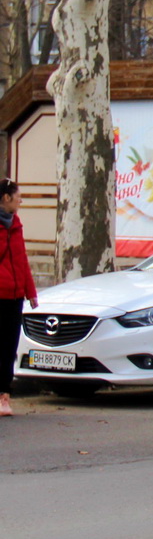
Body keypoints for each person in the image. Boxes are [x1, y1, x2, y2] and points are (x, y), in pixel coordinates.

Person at [0, 178, 38, 417]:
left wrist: (31, 292)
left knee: (8, 347)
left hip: (15, 297)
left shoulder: (16, 223)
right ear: (6, 198)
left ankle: (4, 396)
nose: (21, 200)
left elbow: (22, 260)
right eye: (18, 195)